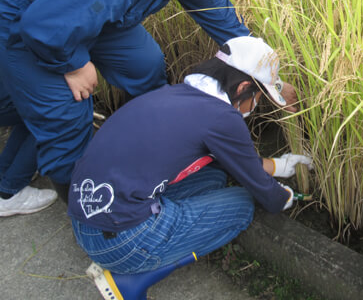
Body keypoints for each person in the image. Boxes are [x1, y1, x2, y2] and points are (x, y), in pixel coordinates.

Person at [0, 0, 298, 208]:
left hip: (85, 6)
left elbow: (229, 27)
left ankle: (157, 138)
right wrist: (73, 64)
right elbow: (42, 26)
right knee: (68, 109)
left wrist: (274, 80)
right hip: (27, 12)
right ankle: (75, 207)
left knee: (144, 63)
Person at [68, 36, 312, 299]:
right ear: (243, 87)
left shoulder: (179, 95)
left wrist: (277, 165)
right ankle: (129, 280)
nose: (255, 106)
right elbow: (270, 198)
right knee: (243, 204)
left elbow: (228, 159)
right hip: (124, 242)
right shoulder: (223, 117)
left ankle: (143, 242)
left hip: (87, 220)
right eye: (258, 98)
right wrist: (285, 196)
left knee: (214, 177)